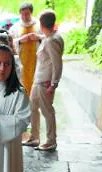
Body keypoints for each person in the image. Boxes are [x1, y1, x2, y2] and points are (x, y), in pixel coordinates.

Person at [23, 10, 64, 151]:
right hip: (38, 80)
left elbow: (57, 63)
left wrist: (54, 84)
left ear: (41, 24)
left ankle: (51, 140)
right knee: (33, 107)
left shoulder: (52, 40)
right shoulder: (49, 37)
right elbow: (46, 39)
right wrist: (38, 37)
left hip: (44, 82)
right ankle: (34, 137)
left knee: (47, 111)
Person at [11, 3, 42, 95]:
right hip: (22, 61)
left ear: (31, 13)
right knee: (22, 83)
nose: (24, 16)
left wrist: (38, 37)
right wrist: (20, 41)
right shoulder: (15, 27)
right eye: (22, 14)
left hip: (36, 60)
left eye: (27, 14)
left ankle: (35, 105)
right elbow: (10, 42)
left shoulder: (39, 25)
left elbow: (47, 38)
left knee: (36, 84)